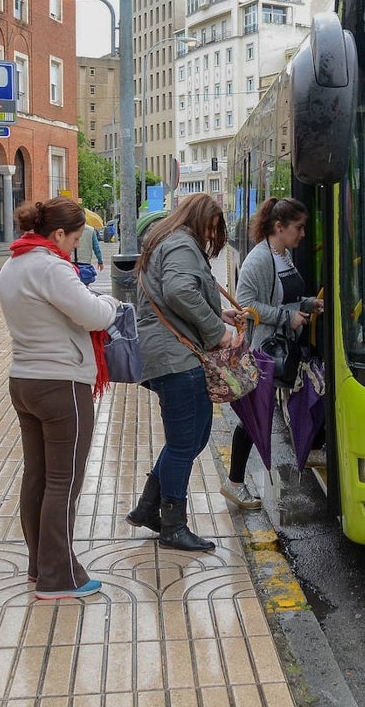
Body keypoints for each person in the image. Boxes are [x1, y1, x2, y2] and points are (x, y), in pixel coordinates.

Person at [0, 197, 120, 600]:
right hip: (61, 385)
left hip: (24, 382)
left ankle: (39, 564)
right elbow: (95, 316)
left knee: (37, 476)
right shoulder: (51, 266)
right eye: (75, 238)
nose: (74, 246)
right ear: (58, 234)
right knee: (63, 482)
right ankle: (59, 576)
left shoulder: (13, 263)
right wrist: (109, 302)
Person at [127, 192, 244, 551]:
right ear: (202, 220)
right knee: (184, 444)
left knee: (192, 438)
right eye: (212, 230)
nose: (212, 239)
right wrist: (218, 331)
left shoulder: (168, 241)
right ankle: (173, 526)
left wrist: (215, 313)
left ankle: (149, 507)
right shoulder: (181, 243)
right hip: (176, 357)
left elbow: (176, 296)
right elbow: (179, 291)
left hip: (171, 353)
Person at [231, 197, 326, 503]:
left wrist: (308, 304)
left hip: (282, 347)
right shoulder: (260, 259)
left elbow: (285, 299)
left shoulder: (283, 256)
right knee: (252, 418)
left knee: (301, 397)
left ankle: (312, 450)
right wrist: (287, 316)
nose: (303, 235)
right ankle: (234, 483)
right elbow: (246, 305)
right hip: (264, 352)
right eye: (298, 228)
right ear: (279, 227)